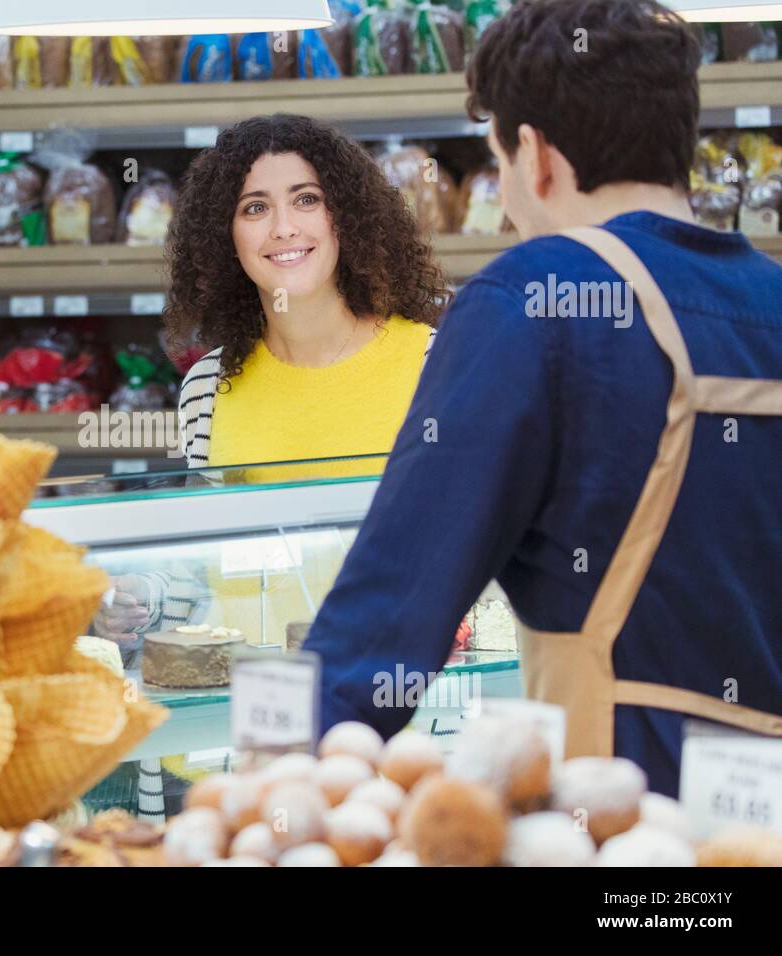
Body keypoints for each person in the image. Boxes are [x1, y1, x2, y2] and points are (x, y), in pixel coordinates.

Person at [303, 0, 782, 796]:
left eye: (497, 166)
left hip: (628, 840)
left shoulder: (534, 298)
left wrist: (257, 781)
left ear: (535, 153)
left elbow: (386, 615)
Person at [95, 114, 447, 650]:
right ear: (225, 235)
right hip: (262, 704)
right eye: (255, 207)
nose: (283, 227)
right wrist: (140, 601)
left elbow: (480, 550)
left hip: (406, 702)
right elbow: (208, 571)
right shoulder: (208, 386)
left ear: (344, 217)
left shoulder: (432, 363)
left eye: (306, 199)